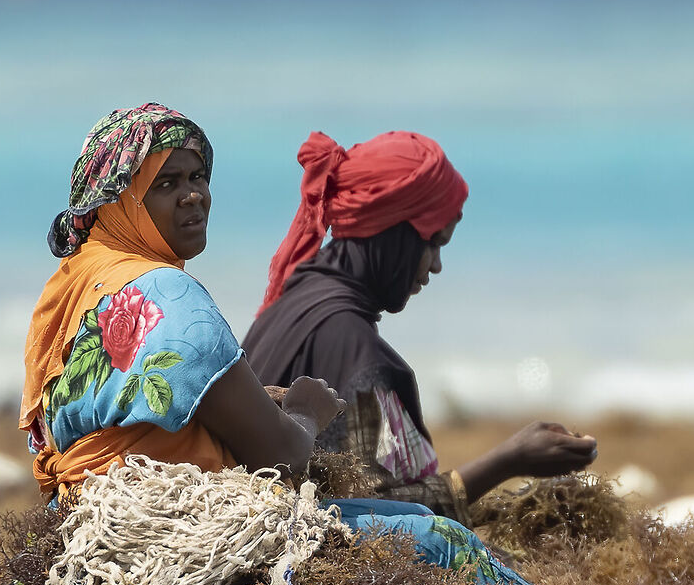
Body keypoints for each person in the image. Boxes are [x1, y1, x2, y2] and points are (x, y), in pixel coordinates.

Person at [20, 103, 529, 585]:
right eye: (165, 183)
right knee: (441, 539)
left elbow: (123, 419)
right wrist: (307, 410)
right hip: (180, 537)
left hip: (89, 528)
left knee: (414, 518)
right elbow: (285, 458)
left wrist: (261, 397)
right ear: (118, 200)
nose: (193, 195)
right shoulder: (167, 295)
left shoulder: (72, 285)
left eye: (198, 177)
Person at [241, 130, 598, 523]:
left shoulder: (292, 299)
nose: (436, 265)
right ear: (392, 233)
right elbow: (385, 518)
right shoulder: (356, 349)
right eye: (434, 243)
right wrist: (510, 459)